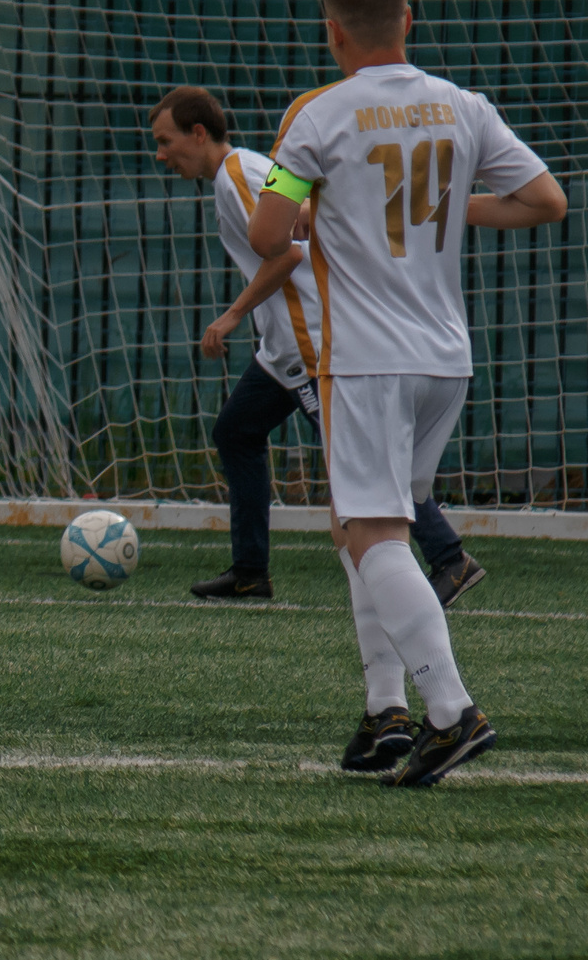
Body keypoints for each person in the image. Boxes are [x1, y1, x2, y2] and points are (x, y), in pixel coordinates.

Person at [248, 0, 565, 787]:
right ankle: (385, 709)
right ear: (409, 22)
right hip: (444, 356)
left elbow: (267, 230)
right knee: (365, 527)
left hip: (365, 357)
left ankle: (452, 713)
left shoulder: (318, 115)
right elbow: (543, 200)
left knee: (371, 533)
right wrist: (456, 207)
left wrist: (322, 208)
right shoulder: (464, 108)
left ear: (333, 32)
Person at [150, 87, 486, 606]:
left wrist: (233, 314)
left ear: (199, 133)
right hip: (283, 351)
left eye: (165, 141)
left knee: (360, 467)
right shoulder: (235, 175)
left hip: (310, 347)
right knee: (236, 432)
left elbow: (288, 253)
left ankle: (449, 559)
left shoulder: (239, 173)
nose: (160, 154)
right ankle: (249, 573)